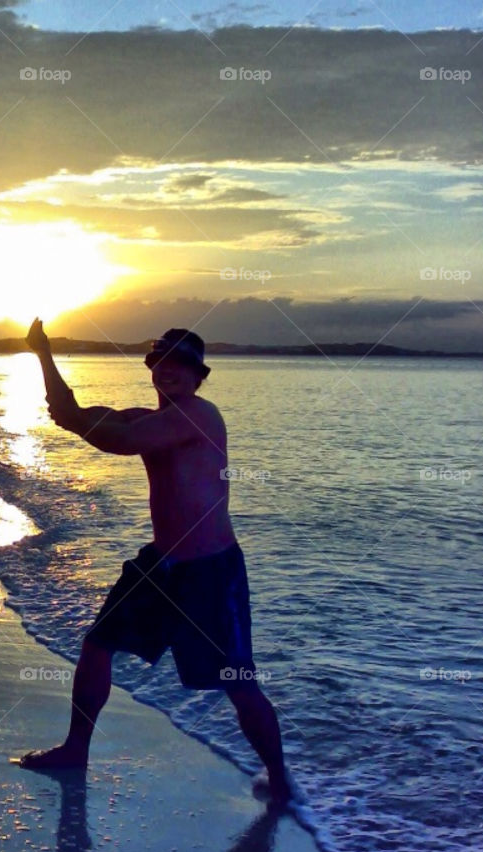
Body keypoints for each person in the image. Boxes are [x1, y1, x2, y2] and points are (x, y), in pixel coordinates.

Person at [18, 318, 293, 805]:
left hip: (210, 571)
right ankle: (74, 750)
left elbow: (116, 440)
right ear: (151, 369)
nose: (170, 371)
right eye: (161, 362)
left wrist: (85, 423)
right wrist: (43, 354)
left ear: (198, 376)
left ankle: (280, 780)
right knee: (97, 644)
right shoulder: (148, 418)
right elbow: (69, 414)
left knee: (237, 681)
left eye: (181, 365)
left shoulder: (198, 416)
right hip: (160, 565)